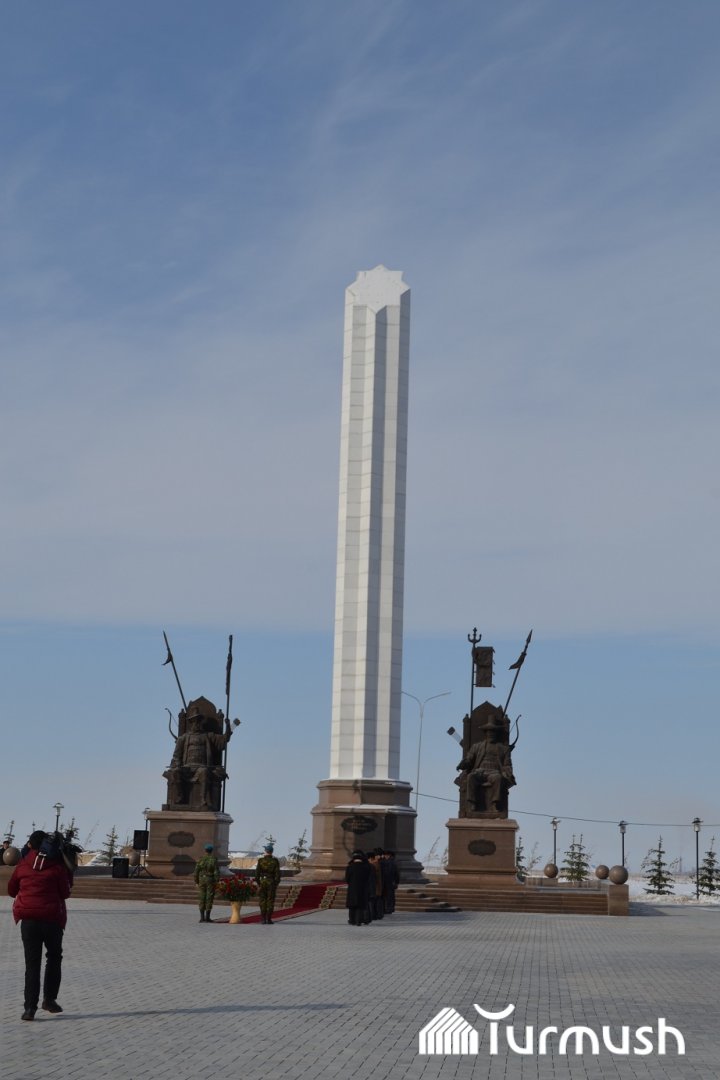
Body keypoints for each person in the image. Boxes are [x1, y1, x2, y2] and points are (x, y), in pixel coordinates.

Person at [7, 830, 72, 1021]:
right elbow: (65, 893)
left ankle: (29, 1008)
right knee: (54, 957)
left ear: (31, 845)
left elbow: (11, 890)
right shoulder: (57, 867)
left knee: (32, 964)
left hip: (28, 920)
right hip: (52, 919)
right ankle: (49, 1000)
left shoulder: (23, 865)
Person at [457, 716, 516, 814]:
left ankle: (494, 804)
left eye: (493, 732)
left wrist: (508, 773)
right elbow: (469, 759)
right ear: (486, 733)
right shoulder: (477, 746)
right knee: (471, 777)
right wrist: (463, 764)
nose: (491, 734)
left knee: (498, 778)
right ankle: (472, 803)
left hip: (494, 772)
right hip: (480, 772)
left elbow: (507, 764)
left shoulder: (503, 749)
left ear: (496, 733)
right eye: (489, 732)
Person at [254, 844, 281, 924]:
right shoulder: (275, 861)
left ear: (265, 851)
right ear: (272, 852)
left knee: (262, 900)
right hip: (271, 882)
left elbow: (257, 874)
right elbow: (278, 874)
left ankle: (263, 919)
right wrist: (275, 884)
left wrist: (259, 883)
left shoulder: (261, 860)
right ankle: (269, 919)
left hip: (263, 882)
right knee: (270, 900)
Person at [194, 843, 219, 922]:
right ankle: (207, 917)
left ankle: (202, 918)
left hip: (202, 880)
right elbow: (216, 872)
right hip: (210, 880)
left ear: (205, 850)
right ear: (211, 850)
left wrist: (196, 881)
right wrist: (217, 881)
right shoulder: (213, 859)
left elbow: (196, 871)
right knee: (209, 898)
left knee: (202, 897)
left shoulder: (201, 859)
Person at [345, 850, 371, 926]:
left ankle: (352, 920)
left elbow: (347, 879)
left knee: (352, 906)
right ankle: (359, 921)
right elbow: (368, 878)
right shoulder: (366, 867)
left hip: (352, 889)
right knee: (360, 905)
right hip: (362, 889)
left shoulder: (350, 867)